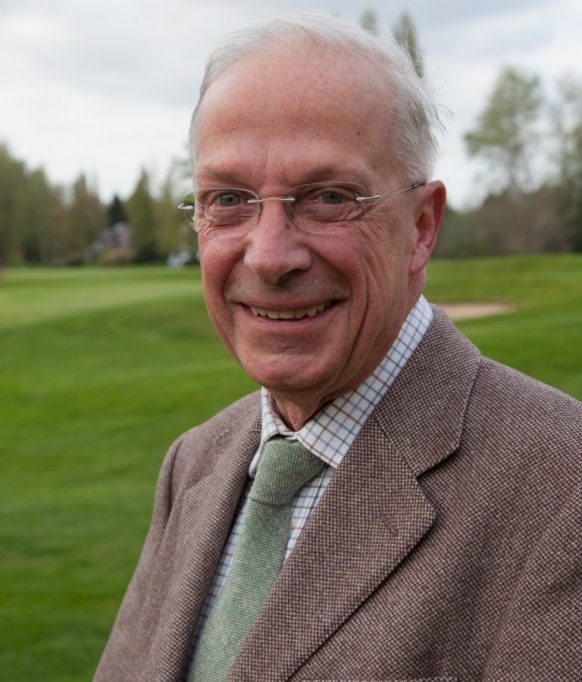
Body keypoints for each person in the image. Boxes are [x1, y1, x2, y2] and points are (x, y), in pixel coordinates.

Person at [95, 13, 581, 682]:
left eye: (328, 197)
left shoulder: (562, 488)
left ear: (421, 226)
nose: (269, 257)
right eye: (229, 198)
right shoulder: (195, 464)